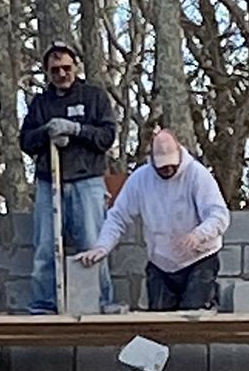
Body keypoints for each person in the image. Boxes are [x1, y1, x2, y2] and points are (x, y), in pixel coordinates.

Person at [77, 128, 229, 311]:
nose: (168, 169)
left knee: (192, 314)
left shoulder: (197, 175)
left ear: (180, 153)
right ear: (153, 161)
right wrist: (102, 246)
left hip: (199, 259)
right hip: (161, 263)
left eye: (172, 164)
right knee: (159, 323)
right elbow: (117, 216)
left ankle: (210, 297)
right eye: (162, 166)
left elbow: (219, 215)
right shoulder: (141, 179)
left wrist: (199, 235)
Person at [19, 40, 116, 314]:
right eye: (54, 70)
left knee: (92, 244)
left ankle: (100, 301)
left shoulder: (94, 97)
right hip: (50, 182)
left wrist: (76, 130)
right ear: (47, 73)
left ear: (75, 67)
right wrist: (46, 133)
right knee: (46, 248)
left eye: (66, 68)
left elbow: (106, 136)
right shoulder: (40, 104)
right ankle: (44, 305)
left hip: (87, 181)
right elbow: (25, 141)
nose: (61, 74)